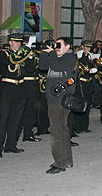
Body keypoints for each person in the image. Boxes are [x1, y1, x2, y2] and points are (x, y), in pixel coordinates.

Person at [38, 37, 78, 174]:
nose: (56, 47)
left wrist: (52, 53)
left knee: (56, 131)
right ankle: (67, 160)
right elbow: (42, 66)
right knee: (63, 130)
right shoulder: (55, 56)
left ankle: (59, 163)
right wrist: (44, 51)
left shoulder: (70, 57)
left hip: (61, 99)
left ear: (68, 46)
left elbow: (56, 66)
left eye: (59, 45)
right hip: (52, 98)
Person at [0, 33, 28, 158]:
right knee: (3, 120)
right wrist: (23, 54)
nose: (18, 44)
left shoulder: (24, 55)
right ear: (10, 43)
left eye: (20, 42)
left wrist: (29, 57)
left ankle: (11, 145)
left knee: (15, 120)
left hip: (20, 89)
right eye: (15, 42)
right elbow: (9, 61)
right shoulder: (4, 54)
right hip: (7, 89)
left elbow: (29, 69)